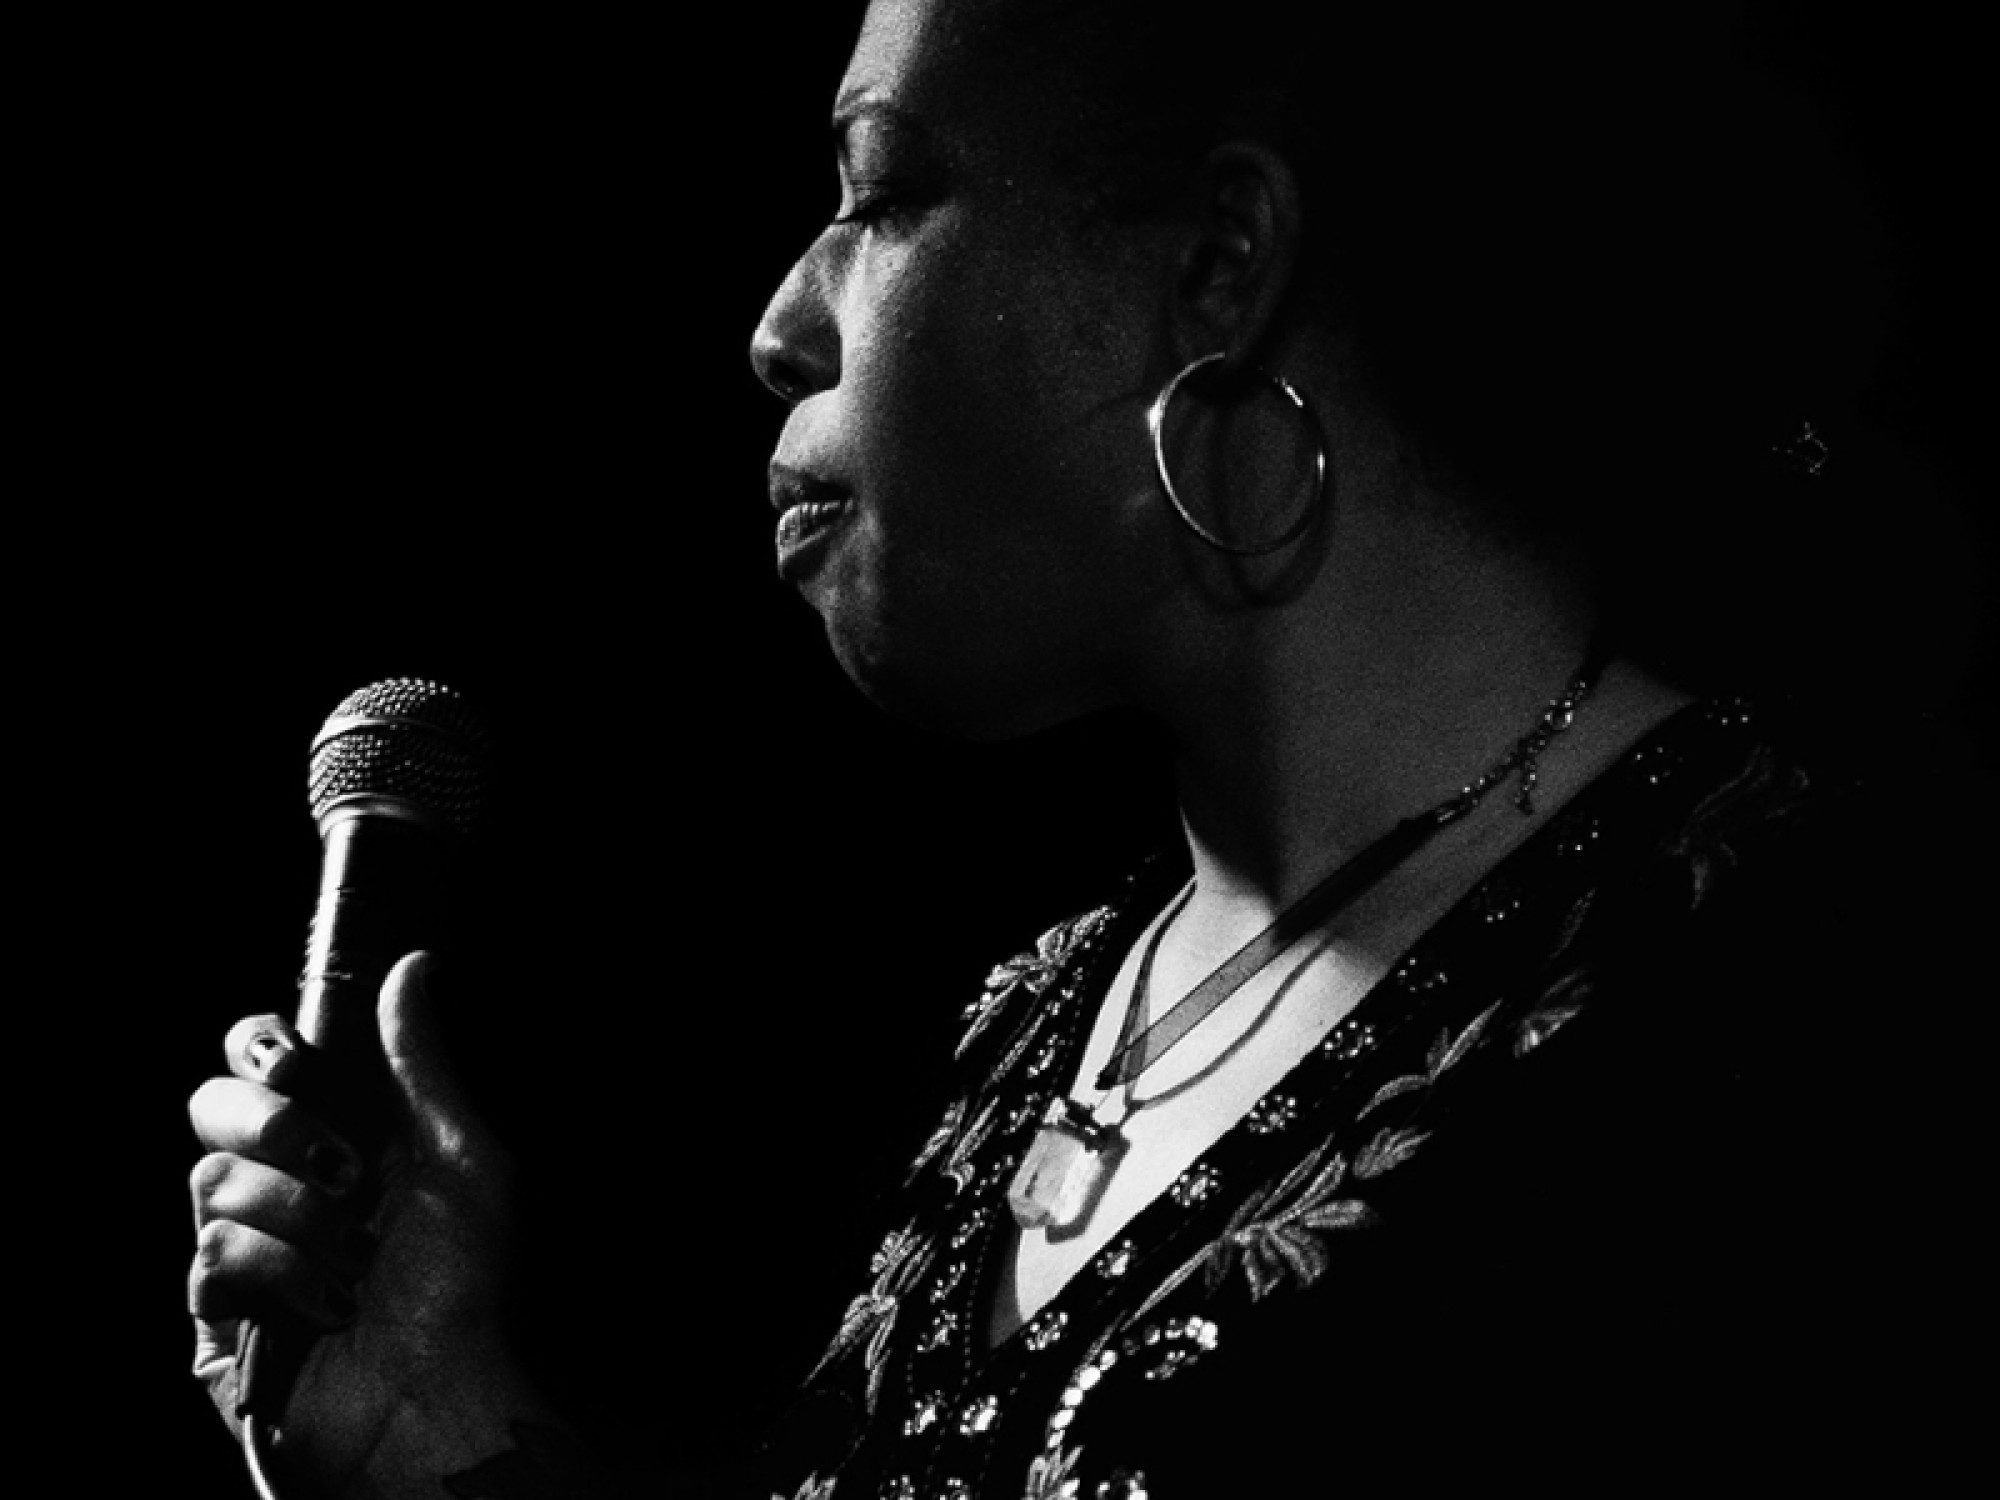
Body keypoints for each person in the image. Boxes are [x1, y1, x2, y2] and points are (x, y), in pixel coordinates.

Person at [186, 1, 1985, 1495]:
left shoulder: (1834, 991)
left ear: (1219, 261)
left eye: (880, 192)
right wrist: (442, 1435)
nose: (780, 326)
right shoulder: (1037, 1019)